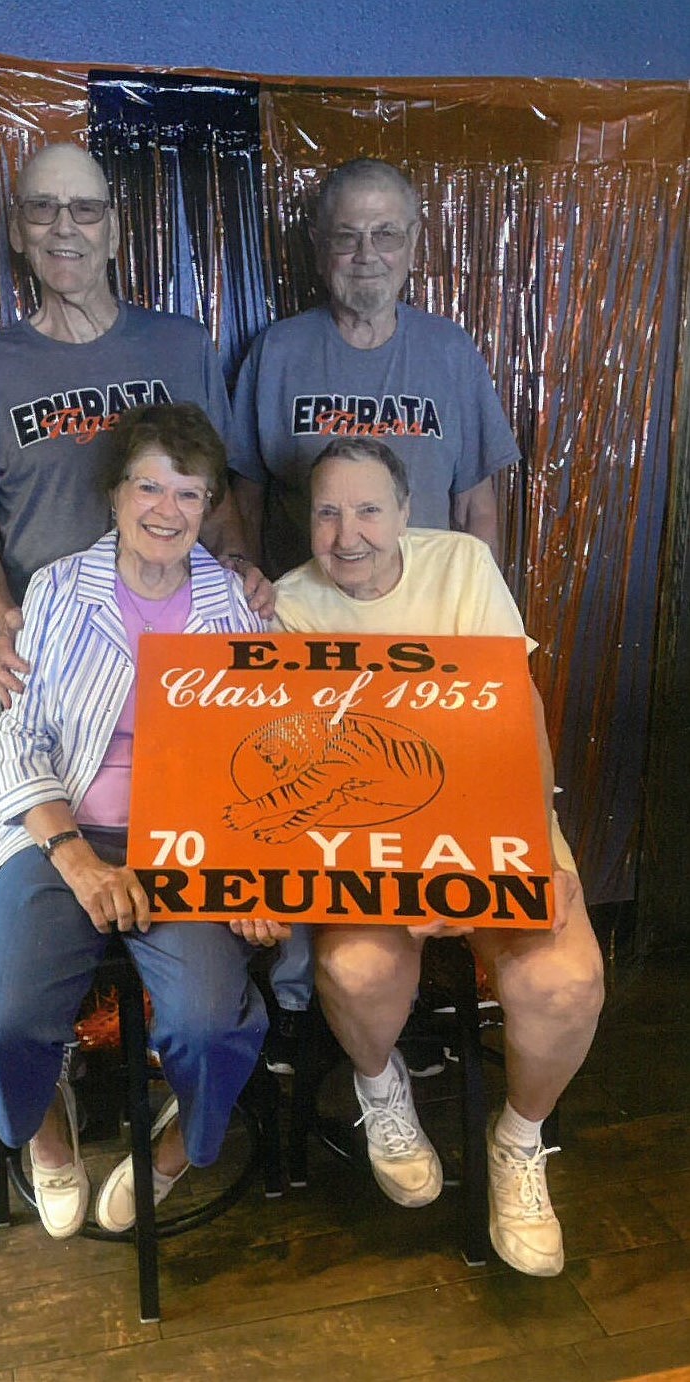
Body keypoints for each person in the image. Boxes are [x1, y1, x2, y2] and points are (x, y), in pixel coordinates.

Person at [254, 436, 604, 1278]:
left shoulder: (464, 565)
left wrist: (517, 856)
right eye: (328, 512)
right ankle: (380, 1088)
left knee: (566, 982)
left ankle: (517, 1141)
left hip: (495, 821)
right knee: (359, 974)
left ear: (407, 513)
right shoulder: (286, 605)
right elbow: (302, 770)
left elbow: (515, 720)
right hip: (365, 840)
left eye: (368, 510)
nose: (348, 535)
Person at [0, 403, 271, 1239]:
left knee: (209, 1021)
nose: (167, 510)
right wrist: (77, 861)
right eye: (149, 486)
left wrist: (253, 870)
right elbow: (18, 739)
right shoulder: (56, 590)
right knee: (6, 1016)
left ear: (209, 509)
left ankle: (174, 1150)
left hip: (187, 841)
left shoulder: (235, 606)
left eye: (190, 495)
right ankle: (45, 1131)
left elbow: (263, 752)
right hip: (55, 832)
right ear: (116, 494)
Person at [0, 141, 266, 812]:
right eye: (42, 209)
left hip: (180, 653)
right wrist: (8, 622)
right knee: (23, 849)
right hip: (46, 656)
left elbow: (218, 492)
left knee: (196, 834)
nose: (63, 227)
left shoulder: (179, 345)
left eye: (84, 209)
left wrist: (237, 563)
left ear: (112, 231)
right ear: (18, 232)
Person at [229, 157, 520, 580]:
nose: (367, 256)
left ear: (414, 240)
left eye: (385, 235)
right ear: (319, 244)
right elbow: (245, 504)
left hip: (425, 615)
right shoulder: (277, 351)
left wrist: (481, 610)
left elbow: (477, 507)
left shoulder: (450, 351)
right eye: (346, 238)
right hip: (304, 619)